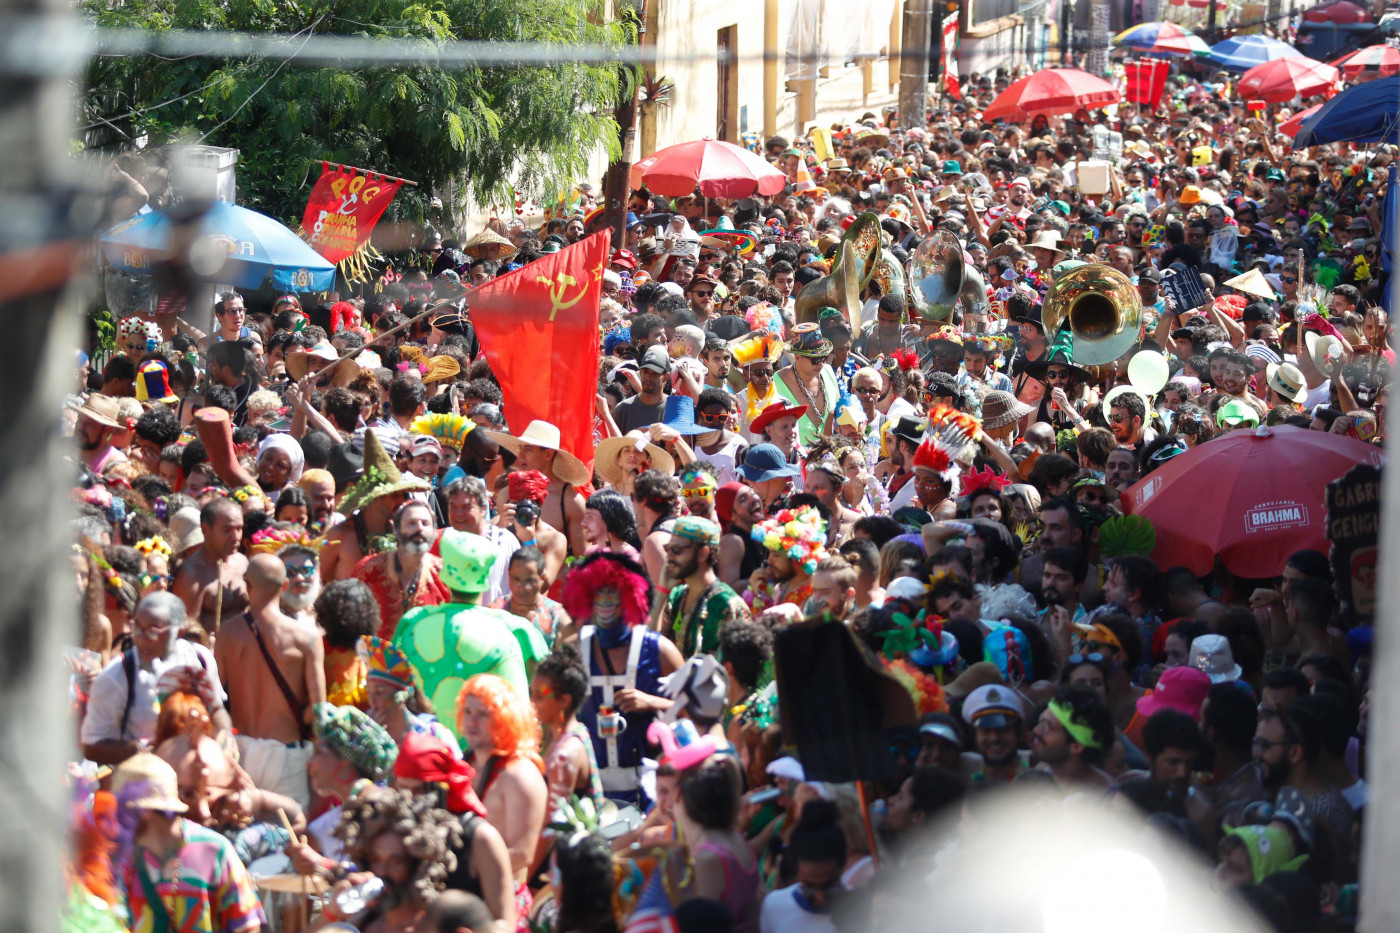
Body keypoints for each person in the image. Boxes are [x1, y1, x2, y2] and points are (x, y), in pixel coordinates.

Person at [395, 529, 548, 741]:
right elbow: (524, 719)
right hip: (484, 766)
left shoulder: (412, 624)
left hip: (423, 761)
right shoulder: (513, 631)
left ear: (445, 573)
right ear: (486, 575)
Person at [562, 551, 683, 806]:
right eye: (598, 594)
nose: (605, 602)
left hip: (650, 794)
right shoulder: (572, 650)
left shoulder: (659, 650)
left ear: (629, 597)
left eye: (613, 593)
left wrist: (653, 703)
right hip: (590, 794)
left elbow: (695, 713)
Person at [214, 553, 325, 809]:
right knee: (290, 835)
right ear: (284, 586)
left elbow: (216, 699)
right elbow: (319, 710)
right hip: (287, 755)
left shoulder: (227, 634)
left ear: (247, 585)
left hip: (240, 752)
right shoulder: (306, 638)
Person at [112, 752, 266, 933]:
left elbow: (247, 927)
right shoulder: (117, 857)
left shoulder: (215, 850)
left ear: (144, 812)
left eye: (122, 812)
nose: (116, 821)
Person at [81, 592, 232, 765]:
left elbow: (216, 709)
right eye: (136, 628)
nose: (141, 639)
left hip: (200, 776)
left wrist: (225, 743)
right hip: (144, 785)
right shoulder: (116, 676)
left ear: (179, 631)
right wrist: (147, 751)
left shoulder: (200, 658)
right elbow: (91, 747)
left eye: (153, 631)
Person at [393, 733, 517, 927]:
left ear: (442, 789)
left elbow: (505, 922)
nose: (409, 801)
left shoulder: (480, 838)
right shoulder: (395, 833)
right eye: (402, 789)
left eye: (417, 790)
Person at [457, 673, 550, 919]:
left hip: (501, 908)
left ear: (504, 719)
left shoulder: (520, 774)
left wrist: (461, 873)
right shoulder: (463, 764)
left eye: (483, 714)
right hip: (464, 899)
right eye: (468, 712)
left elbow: (522, 854)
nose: (472, 721)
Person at [320, 430, 432, 581]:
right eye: (394, 495)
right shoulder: (340, 535)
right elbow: (314, 582)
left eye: (405, 495)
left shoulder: (401, 534)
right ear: (375, 497)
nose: (402, 501)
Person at [354, 499, 451, 641]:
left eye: (425, 523)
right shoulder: (369, 569)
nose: (419, 529)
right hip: (375, 660)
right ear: (396, 530)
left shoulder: (444, 574)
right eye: (411, 523)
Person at [530, 644, 606, 816]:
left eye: (540, 696)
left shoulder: (566, 754)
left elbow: (553, 824)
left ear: (564, 701)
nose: (532, 703)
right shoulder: (564, 734)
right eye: (532, 695)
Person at [660, 516, 752, 657]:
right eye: (668, 549)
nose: (669, 556)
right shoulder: (677, 595)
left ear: (702, 554)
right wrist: (662, 592)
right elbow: (653, 648)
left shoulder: (727, 604)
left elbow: (742, 669)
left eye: (677, 550)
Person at [364, 635, 461, 751]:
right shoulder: (365, 735)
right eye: (369, 690)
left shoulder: (433, 733)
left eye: (380, 691)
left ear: (401, 695)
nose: (372, 700)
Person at [171, 497, 250, 638]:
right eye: (227, 530)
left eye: (239, 529)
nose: (236, 537)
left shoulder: (242, 562)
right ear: (206, 530)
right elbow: (187, 632)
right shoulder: (191, 574)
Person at [443, 475, 520, 605]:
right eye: (453, 507)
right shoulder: (444, 541)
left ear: (483, 509)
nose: (458, 513)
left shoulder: (504, 542)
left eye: (466, 507)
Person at [1022, 684, 1114, 792]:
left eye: (1048, 727)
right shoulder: (1042, 771)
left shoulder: (1103, 799)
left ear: (1076, 746)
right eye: (1041, 722)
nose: (1036, 730)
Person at [494, 547, 573, 646]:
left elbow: (567, 659)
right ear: (508, 575)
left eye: (530, 581)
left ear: (542, 578)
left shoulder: (558, 618)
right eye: (516, 579)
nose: (521, 588)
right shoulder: (494, 611)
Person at [960, 683, 1029, 785]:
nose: (994, 738)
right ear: (974, 735)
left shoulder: (1037, 778)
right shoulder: (965, 780)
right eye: (986, 731)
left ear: (1017, 732)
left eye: (1002, 729)